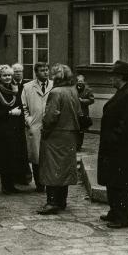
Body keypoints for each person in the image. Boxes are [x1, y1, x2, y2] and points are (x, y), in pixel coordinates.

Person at [98, 60, 128, 229]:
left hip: (122, 150)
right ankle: (114, 211)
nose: (110, 79)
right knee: (113, 182)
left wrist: (112, 139)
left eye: (113, 76)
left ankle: (123, 218)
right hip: (115, 149)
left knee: (121, 184)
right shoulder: (123, 92)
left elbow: (127, 126)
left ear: (120, 77)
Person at [38, 64, 81, 215]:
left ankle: (52, 202)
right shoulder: (73, 90)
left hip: (55, 135)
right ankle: (62, 201)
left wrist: (45, 130)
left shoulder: (55, 92)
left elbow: (51, 116)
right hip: (69, 135)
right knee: (64, 170)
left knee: (52, 169)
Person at [0, 64, 31, 194]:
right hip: (2, 130)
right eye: (4, 75)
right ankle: (5, 185)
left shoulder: (14, 90)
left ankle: (11, 184)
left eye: (9, 75)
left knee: (14, 157)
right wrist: (10, 113)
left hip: (15, 129)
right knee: (4, 158)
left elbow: (20, 106)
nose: (7, 78)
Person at [21, 62, 53, 193]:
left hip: (50, 126)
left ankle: (48, 182)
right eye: (42, 70)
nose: (45, 72)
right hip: (34, 125)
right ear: (36, 72)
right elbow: (24, 107)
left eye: (47, 70)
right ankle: (40, 184)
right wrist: (28, 120)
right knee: (36, 156)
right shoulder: (28, 87)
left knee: (49, 156)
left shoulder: (54, 85)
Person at [75, 74, 95, 150]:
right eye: (78, 81)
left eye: (81, 81)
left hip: (83, 112)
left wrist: (82, 101)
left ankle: (79, 145)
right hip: (75, 112)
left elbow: (91, 100)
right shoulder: (73, 89)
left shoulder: (88, 90)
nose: (80, 82)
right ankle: (74, 144)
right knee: (74, 129)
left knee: (81, 130)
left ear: (84, 81)